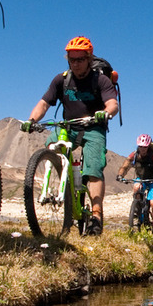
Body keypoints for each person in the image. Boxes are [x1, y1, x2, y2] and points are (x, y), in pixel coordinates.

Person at [21, 37, 119, 234]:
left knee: (93, 168)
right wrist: (31, 120)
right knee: (50, 148)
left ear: (89, 59)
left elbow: (112, 104)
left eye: (80, 60)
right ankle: (60, 188)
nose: (75, 64)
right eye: (71, 60)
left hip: (93, 128)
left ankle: (96, 215)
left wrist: (105, 113)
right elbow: (44, 103)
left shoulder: (100, 80)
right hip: (68, 126)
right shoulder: (61, 79)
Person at [117, 134, 153, 233]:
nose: (143, 149)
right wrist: (120, 175)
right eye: (141, 146)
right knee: (136, 187)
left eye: (145, 147)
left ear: (148, 146)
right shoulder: (135, 154)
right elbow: (126, 165)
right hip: (141, 178)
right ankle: (137, 210)